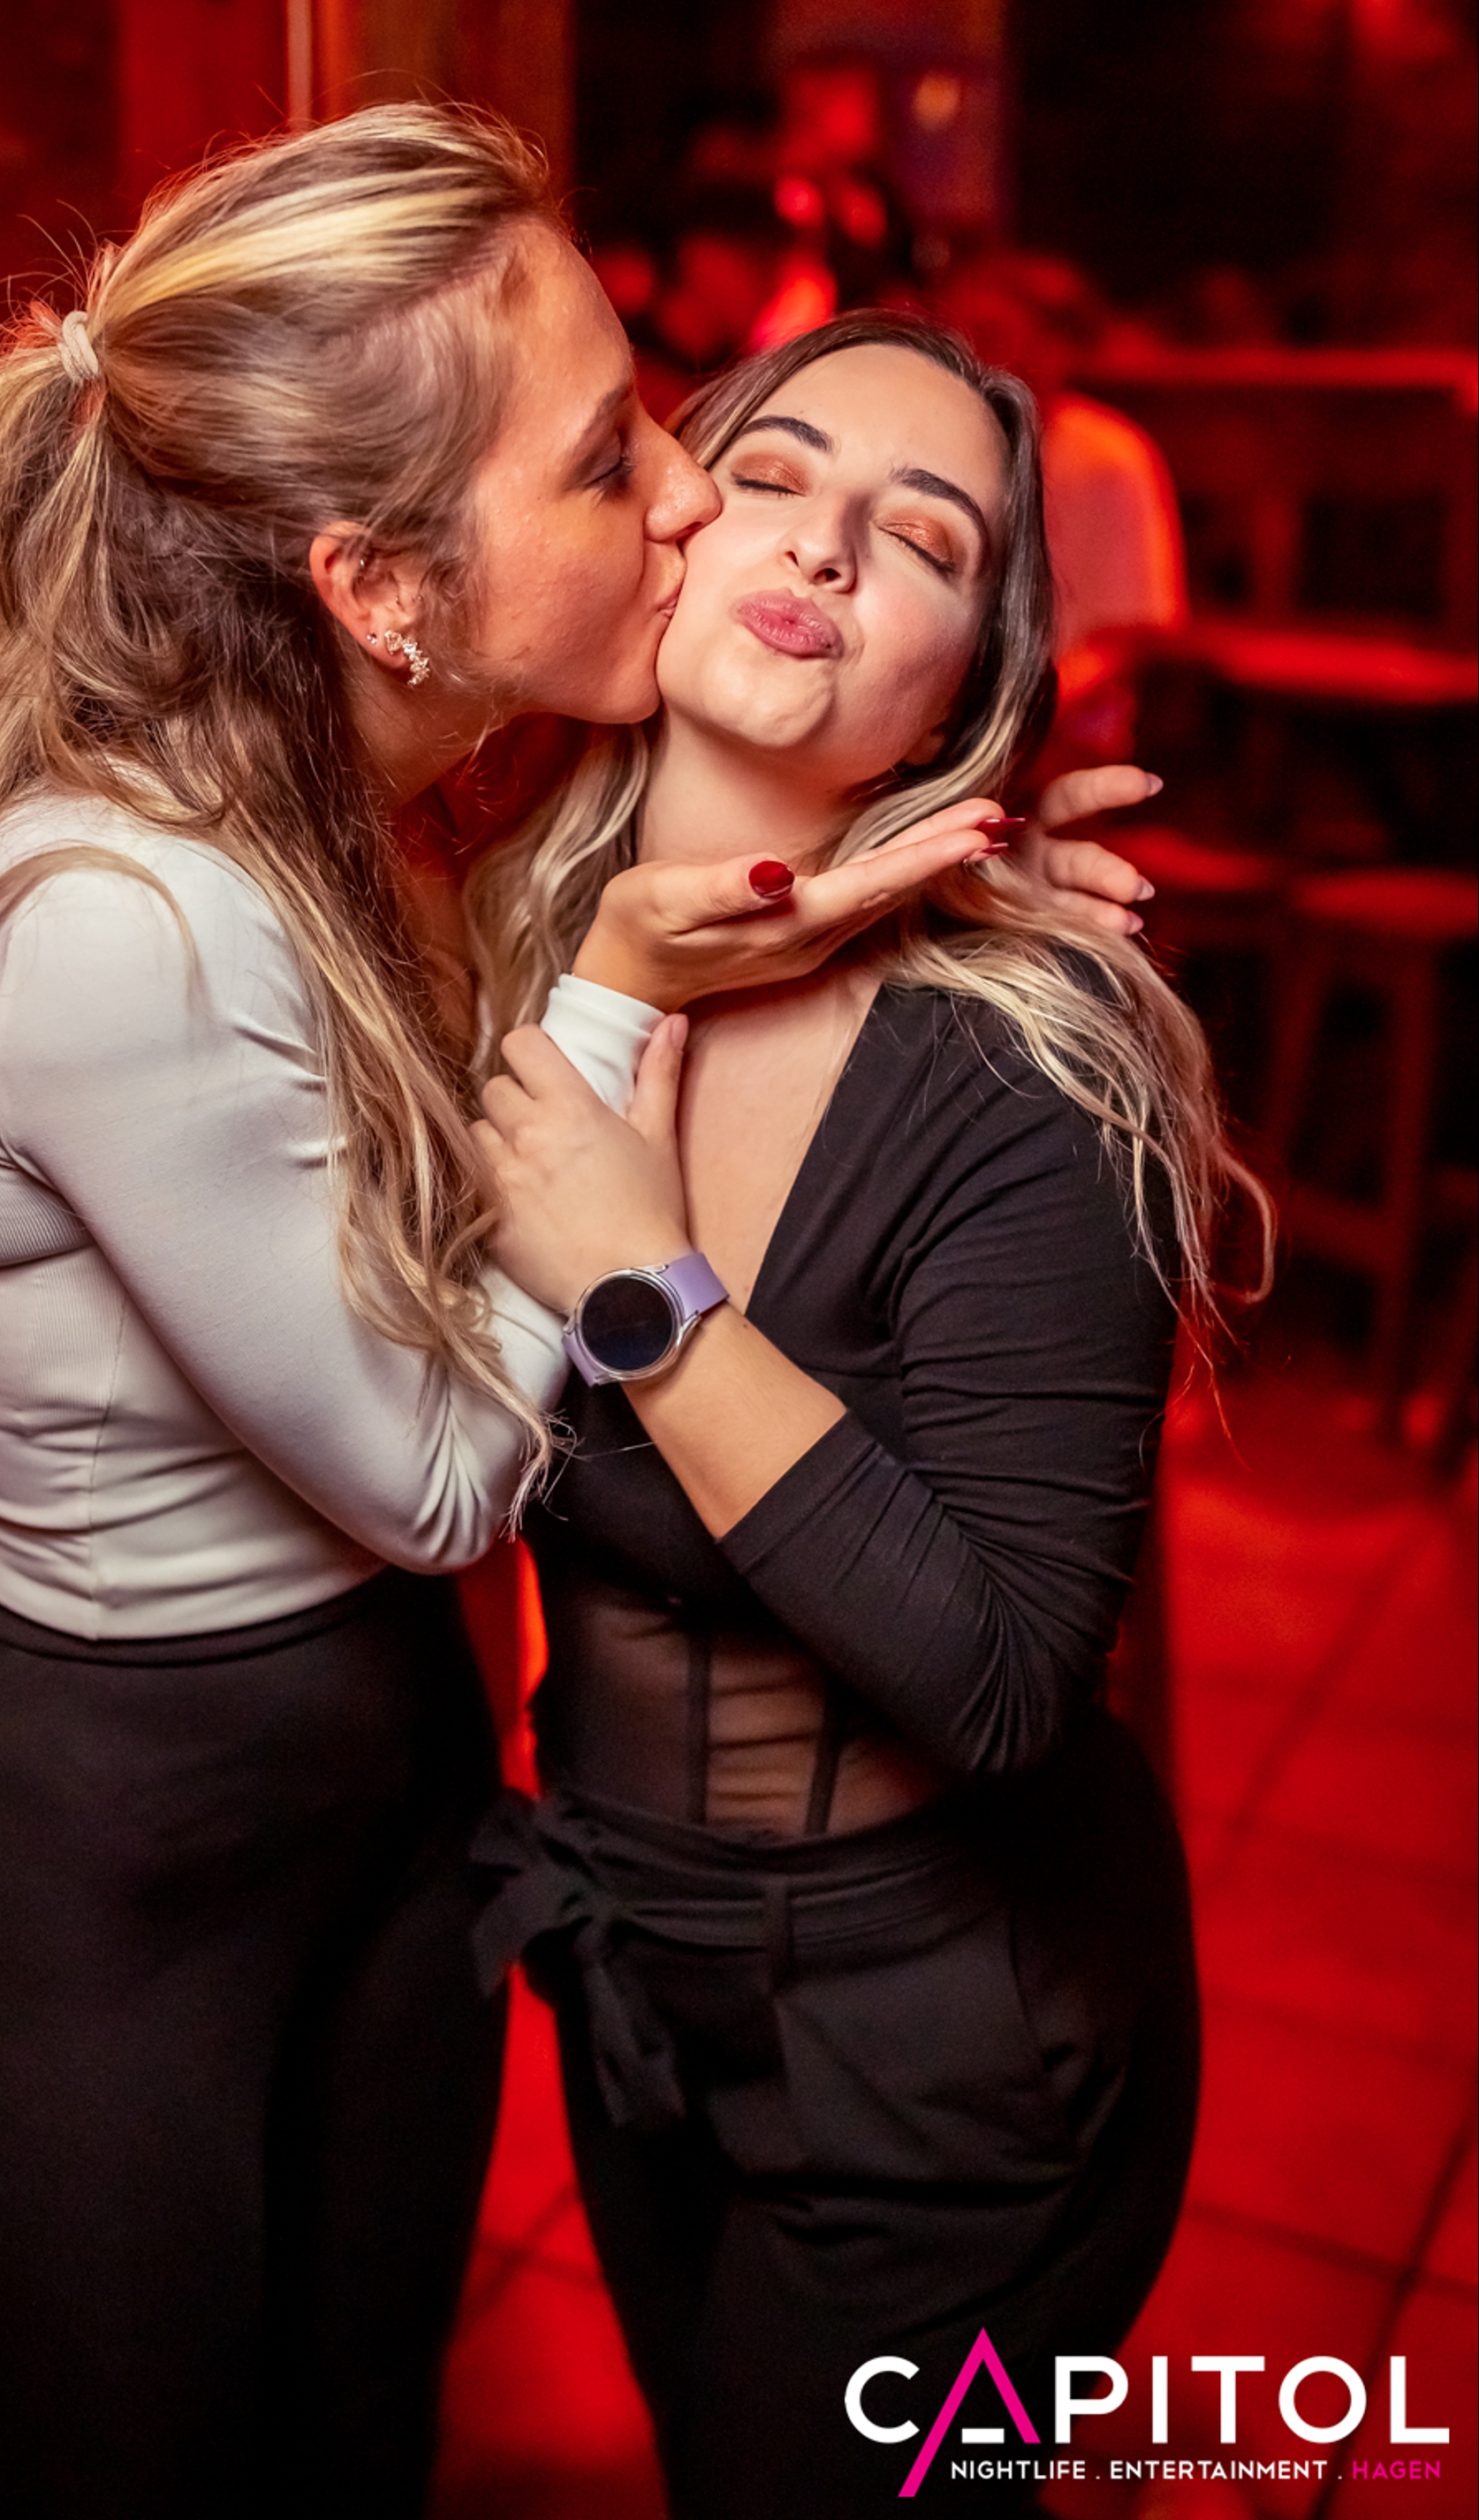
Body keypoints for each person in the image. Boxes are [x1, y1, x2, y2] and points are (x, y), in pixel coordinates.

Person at [0, 108, 1160, 2518]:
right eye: (650, 459)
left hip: (686, 1919)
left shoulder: (436, 863)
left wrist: (945, 882)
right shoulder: (344, 916)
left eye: (925, 539)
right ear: (383, 590)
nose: (709, 510)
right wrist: (637, 1036)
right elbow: (433, 1470)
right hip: (201, 1851)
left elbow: (1011, 1655)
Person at [467, 310, 1267, 2516]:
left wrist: (646, 1293)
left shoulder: (1030, 1067)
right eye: (772, 475)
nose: (821, 546)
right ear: (659, 528)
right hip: (628, 1970)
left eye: (919, 540)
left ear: (965, 694)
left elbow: (1003, 1681)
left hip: (952, 2046)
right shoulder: (495, 958)